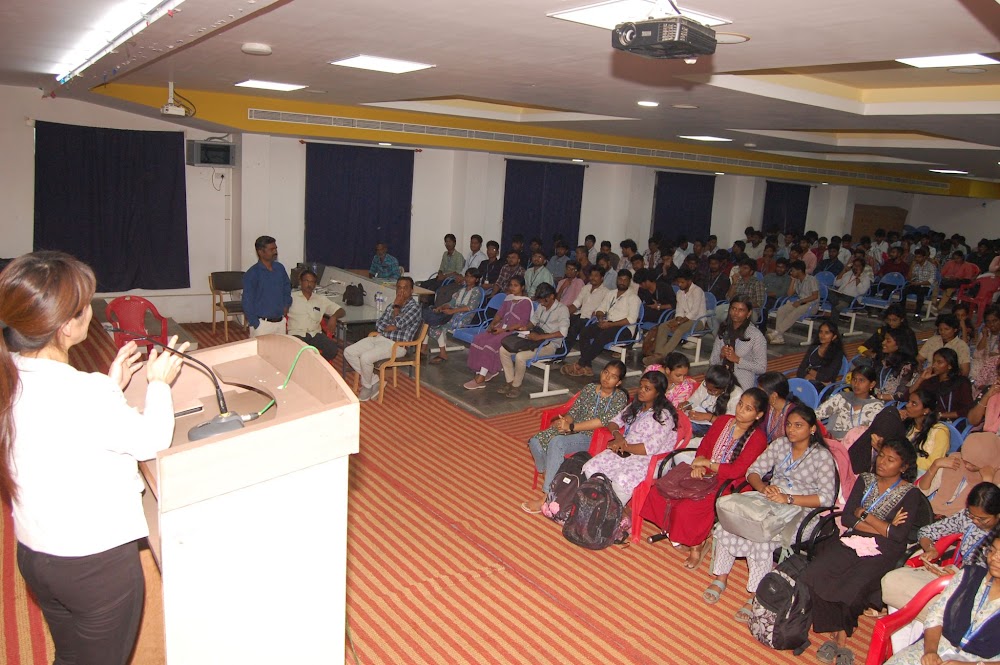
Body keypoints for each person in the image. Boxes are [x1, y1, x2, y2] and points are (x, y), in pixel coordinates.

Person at [1, 251, 188, 665]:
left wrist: (110, 386)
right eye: (85, 305)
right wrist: (158, 383)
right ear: (66, 326)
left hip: (35, 555)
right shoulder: (85, 393)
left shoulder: (10, 376)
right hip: (94, 566)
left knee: (70, 655)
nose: (91, 311)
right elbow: (151, 441)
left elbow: (57, 429)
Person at [706, 406, 838, 616]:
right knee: (729, 525)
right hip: (770, 500)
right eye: (789, 425)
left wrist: (789, 499)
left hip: (801, 510)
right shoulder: (780, 445)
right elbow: (753, 471)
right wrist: (763, 488)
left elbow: (826, 498)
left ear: (812, 429)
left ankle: (755, 595)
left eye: (798, 425)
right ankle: (721, 577)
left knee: (762, 540)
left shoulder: (822, 457)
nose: (791, 430)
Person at [800, 438, 923, 665]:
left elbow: (898, 535)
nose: (882, 462)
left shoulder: (910, 494)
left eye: (891, 460)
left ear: (904, 467)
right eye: (881, 456)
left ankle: (841, 638)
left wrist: (865, 515)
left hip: (885, 549)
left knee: (854, 585)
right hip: (855, 538)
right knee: (816, 571)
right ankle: (834, 625)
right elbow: (848, 518)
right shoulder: (865, 480)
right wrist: (883, 527)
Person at [662, 388, 769, 569]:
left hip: (729, 484)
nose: (740, 410)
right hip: (706, 472)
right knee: (666, 493)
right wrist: (699, 464)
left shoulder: (758, 439)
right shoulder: (723, 421)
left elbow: (736, 471)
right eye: (740, 404)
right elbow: (704, 446)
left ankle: (697, 545)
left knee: (688, 507)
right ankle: (677, 533)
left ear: (758, 415)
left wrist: (707, 464)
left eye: (748, 408)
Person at [880, 482, 1000, 622]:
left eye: (983, 519)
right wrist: (930, 548)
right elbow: (927, 531)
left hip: (977, 590)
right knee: (893, 580)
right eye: (972, 515)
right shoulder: (967, 518)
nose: (975, 521)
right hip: (955, 575)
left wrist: (959, 578)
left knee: (928, 603)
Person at [883, 525, 1000, 665]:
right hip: (940, 646)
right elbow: (936, 616)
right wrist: (930, 651)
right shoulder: (969, 576)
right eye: (992, 550)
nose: (994, 558)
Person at [521, 360, 629, 509]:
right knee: (535, 442)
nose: (607, 378)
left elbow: (602, 421)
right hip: (572, 429)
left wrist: (571, 427)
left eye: (613, 376)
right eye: (606, 372)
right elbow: (574, 411)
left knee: (557, 443)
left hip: (592, 437)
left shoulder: (619, 398)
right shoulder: (590, 389)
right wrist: (565, 422)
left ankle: (547, 496)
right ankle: (548, 471)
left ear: (619, 382)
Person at [581, 371, 680, 504]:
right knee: (591, 467)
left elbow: (649, 448)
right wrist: (618, 437)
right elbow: (613, 422)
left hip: (650, 459)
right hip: (626, 450)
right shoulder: (637, 406)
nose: (641, 391)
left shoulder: (663, 416)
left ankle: (614, 509)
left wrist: (623, 446)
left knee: (622, 479)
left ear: (658, 393)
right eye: (641, 386)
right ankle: (599, 501)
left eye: (647, 389)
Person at [345, 276, 422, 402]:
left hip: (397, 345)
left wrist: (396, 309)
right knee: (349, 352)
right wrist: (390, 326)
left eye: (405, 288)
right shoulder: (392, 305)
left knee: (365, 358)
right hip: (380, 338)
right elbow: (379, 324)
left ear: (412, 290)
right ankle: (374, 381)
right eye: (399, 288)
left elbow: (399, 323)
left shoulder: (414, 308)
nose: (401, 291)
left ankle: (367, 386)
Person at [561, 270, 641, 378]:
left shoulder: (634, 298)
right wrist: (600, 319)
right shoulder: (611, 293)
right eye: (620, 279)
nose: (622, 282)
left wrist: (610, 325)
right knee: (585, 332)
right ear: (617, 280)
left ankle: (581, 364)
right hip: (607, 324)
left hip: (624, 328)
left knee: (602, 336)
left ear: (629, 282)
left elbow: (631, 319)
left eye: (625, 280)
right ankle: (587, 366)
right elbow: (600, 309)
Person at [496, 283, 569, 399]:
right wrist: (526, 328)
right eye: (540, 300)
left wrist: (540, 337)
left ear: (551, 296)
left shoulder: (562, 310)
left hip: (550, 344)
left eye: (544, 300)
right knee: (503, 350)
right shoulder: (541, 305)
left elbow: (563, 333)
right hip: (535, 337)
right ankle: (509, 381)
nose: (542, 303)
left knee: (520, 356)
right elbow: (533, 321)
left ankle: (516, 386)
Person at [464, 275, 532, 390]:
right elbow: (499, 314)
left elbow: (521, 323)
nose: (512, 288)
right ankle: (481, 371)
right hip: (501, 328)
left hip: (513, 332)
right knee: (478, 338)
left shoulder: (526, 302)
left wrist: (503, 330)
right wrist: (492, 325)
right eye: (511, 285)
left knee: (491, 343)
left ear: (522, 287)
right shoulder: (509, 298)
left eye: (516, 285)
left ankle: (481, 378)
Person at [644, 268, 706, 364]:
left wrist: (678, 323)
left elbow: (694, 312)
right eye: (678, 282)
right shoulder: (679, 292)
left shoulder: (697, 291)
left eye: (682, 282)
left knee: (679, 330)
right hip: (683, 320)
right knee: (663, 326)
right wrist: (677, 320)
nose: (679, 284)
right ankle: (658, 354)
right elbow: (679, 310)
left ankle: (662, 355)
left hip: (697, 321)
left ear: (689, 281)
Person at [423, 268, 484, 364]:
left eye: (471, 277)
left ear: (476, 279)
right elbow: (451, 303)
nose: (468, 279)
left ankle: (443, 354)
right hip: (453, 313)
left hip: (463, 317)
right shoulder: (462, 290)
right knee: (429, 320)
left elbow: (469, 307)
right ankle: (423, 349)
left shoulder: (476, 292)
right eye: (467, 276)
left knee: (436, 324)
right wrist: (441, 307)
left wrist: (452, 311)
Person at [711, 295, 768, 390]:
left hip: (742, 384)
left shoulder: (755, 335)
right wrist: (721, 355)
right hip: (720, 380)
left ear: (749, 313)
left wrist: (738, 360)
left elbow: (761, 368)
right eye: (733, 308)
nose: (736, 313)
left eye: (741, 310)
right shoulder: (724, 330)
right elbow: (712, 362)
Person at [287, 269, 344, 360]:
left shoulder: (320, 299)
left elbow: (341, 310)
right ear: (300, 282)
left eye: (312, 282)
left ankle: (317, 365)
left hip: (315, 334)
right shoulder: (291, 297)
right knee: (299, 352)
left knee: (332, 349)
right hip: (297, 334)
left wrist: (334, 317)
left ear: (315, 284)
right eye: (306, 281)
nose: (309, 284)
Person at [816, 365, 886, 440]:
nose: (856, 384)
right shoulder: (841, 398)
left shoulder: (876, 407)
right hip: (832, 441)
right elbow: (816, 414)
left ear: (872, 384)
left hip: (858, 444)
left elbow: (875, 435)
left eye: (861, 380)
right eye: (854, 379)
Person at [243, 235, 292, 337]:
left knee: (280, 347)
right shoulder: (252, 273)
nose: (275, 252)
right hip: (262, 325)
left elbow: (287, 288)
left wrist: (286, 305)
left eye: (276, 248)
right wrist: (255, 323)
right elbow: (247, 301)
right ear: (261, 252)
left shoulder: (280, 268)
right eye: (271, 249)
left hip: (280, 322)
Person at [897, 388, 952, 478]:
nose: (907, 405)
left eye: (914, 403)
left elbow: (933, 463)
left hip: (923, 475)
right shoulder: (908, 425)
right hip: (902, 469)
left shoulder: (939, 432)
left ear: (926, 410)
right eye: (909, 402)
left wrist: (903, 460)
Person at [909, 348, 974, 421]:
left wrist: (941, 415)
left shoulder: (961, 383)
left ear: (950, 366)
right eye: (934, 361)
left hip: (953, 423)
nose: (934, 365)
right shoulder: (931, 381)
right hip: (929, 421)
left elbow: (968, 409)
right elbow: (908, 396)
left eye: (939, 362)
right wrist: (921, 379)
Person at [680, 365, 743, 437]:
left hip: (718, 426)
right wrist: (687, 404)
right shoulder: (707, 384)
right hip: (701, 421)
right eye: (707, 388)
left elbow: (730, 423)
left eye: (713, 390)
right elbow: (694, 400)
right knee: (678, 420)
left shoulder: (736, 394)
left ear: (724, 387)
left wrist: (708, 417)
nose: (708, 392)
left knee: (686, 427)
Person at [767, 260, 819, 346]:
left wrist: (801, 301)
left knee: (795, 312)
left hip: (811, 305)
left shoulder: (811, 279)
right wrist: (793, 281)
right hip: (800, 303)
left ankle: (776, 332)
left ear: (799, 270)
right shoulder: (797, 280)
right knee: (781, 310)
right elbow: (789, 294)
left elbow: (815, 296)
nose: (791, 272)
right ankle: (779, 337)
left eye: (793, 270)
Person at [565, 266, 609, 353]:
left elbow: (604, 310)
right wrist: (564, 313)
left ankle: (562, 353)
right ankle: (557, 349)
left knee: (573, 329)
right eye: (591, 275)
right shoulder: (586, 288)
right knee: (563, 322)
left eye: (596, 276)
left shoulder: (606, 292)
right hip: (580, 316)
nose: (592, 278)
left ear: (602, 278)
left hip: (591, 319)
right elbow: (576, 304)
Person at [715, 258, 766, 333]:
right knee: (712, 313)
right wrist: (734, 283)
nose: (741, 270)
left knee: (726, 316)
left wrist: (743, 304)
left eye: (745, 268)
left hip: (751, 311)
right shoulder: (738, 281)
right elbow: (728, 298)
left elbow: (759, 303)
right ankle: (718, 336)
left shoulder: (757, 283)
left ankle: (729, 335)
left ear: (751, 271)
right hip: (734, 307)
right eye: (741, 267)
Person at [797, 320, 846, 391]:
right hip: (809, 382)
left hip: (824, 388)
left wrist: (808, 369)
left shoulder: (837, 353)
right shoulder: (814, 348)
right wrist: (810, 377)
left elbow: (826, 377)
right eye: (821, 332)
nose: (822, 335)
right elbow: (800, 370)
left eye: (827, 333)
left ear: (834, 336)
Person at [874, 328, 919, 404]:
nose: (883, 342)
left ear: (899, 345)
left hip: (892, 404)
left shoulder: (907, 366)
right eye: (884, 339)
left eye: (888, 341)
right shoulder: (883, 359)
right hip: (875, 399)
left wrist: (879, 397)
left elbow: (903, 394)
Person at [828, 258, 872, 323]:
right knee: (828, 292)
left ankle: (840, 303)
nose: (855, 267)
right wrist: (843, 270)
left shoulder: (866, 278)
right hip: (840, 295)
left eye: (858, 266)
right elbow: (836, 283)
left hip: (852, 299)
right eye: (854, 265)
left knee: (841, 301)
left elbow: (861, 292)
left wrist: (857, 277)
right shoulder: (848, 273)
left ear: (862, 267)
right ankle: (841, 303)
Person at [758, 371, 796, 444]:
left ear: (774, 396)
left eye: (761, 393)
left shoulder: (793, 413)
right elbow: (760, 431)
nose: (758, 396)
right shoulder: (767, 408)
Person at [903, 247, 937, 321]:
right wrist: (911, 267)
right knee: (904, 290)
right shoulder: (915, 266)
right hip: (916, 285)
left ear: (924, 257)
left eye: (919, 257)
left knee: (920, 293)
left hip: (926, 286)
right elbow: (909, 278)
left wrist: (919, 283)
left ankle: (917, 314)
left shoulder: (931, 266)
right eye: (916, 257)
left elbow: (931, 280)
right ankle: (902, 311)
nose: (917, 259)